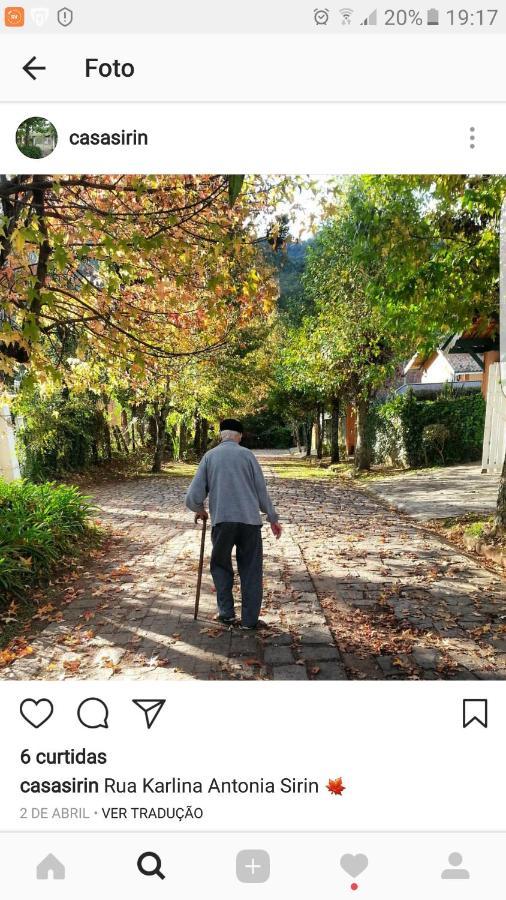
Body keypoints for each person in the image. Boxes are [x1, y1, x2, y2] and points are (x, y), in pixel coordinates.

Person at [185, 418, 282, 629]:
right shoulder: (248, 456)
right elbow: (261, 492)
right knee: (251, 570)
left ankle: (227, 613)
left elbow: (193, 495)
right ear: (239, 435)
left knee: (220, 566)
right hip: (249, 523)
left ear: (221, 435)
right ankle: (249, 621)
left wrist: (200, 510)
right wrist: (273, 518)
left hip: (222, 522)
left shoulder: (209, 457)